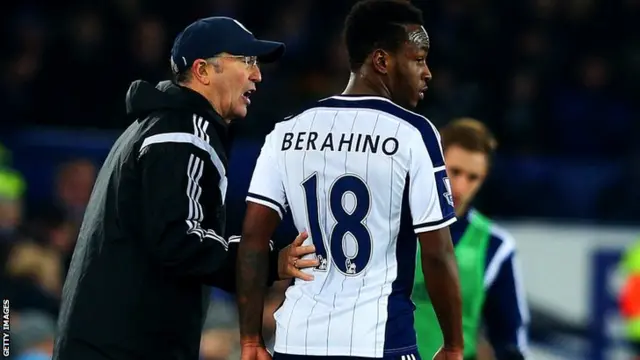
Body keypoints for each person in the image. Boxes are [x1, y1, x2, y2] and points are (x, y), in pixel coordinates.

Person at [53, 16, 318, 360]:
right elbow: (180, 241)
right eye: (247, 61)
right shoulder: (184, 134)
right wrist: (267, 262)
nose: (257, 75)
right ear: (203, 71)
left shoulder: (156, 126)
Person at [236, 1, 464, 359]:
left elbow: (252, 239)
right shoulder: (414, 133)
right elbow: (436, 253)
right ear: (382, 61)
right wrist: (453, 344)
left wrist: (250, 339)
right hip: (380, 340)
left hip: (297, 341)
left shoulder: (287, 130)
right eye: (418, 59)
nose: (428, 73)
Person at [412, 118, 530, 360]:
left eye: (472, 177)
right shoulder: (392, 225)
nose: (460, 187)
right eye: (453, 172)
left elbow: (509, 335)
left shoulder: (495, 246)